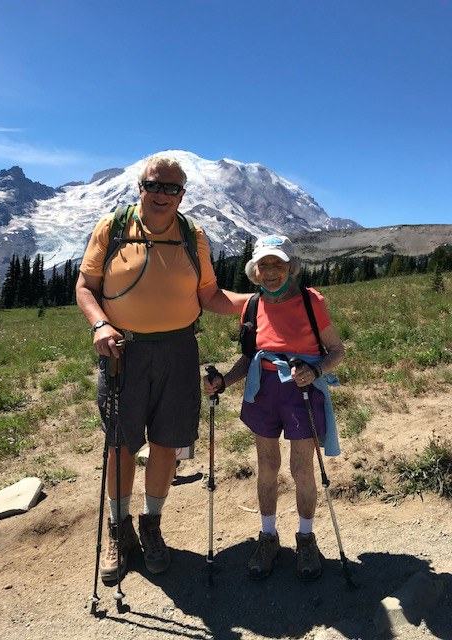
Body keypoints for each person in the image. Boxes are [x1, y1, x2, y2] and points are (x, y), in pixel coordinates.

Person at [76, 153, 250, 582]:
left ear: (182, 195)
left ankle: (150, 525)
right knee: (121, 445)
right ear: (140, 187)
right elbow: (85, 287)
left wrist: (261, 302)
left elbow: (209, 295)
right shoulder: (112, 229)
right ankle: (118, 530)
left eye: (171, 188)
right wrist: (99, 323)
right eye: (154, 185)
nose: (162, 194)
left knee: (167, 445)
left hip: (177, 350)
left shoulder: (194, 236)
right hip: (122, 351)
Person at [204, 235, 344, 581]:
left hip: (302, 392)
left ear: (290, 267)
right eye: (263, 265)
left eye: (278, 264)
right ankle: (268, 536)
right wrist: (223, 382)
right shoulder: (253, 306)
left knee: (301, 469)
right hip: (263, 390)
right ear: (254, 271)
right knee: (266, 465)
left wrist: (315, 371)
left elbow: (337, 351)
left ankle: (306, 538)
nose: (270, 272)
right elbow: (249, 357)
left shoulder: (312, 302)